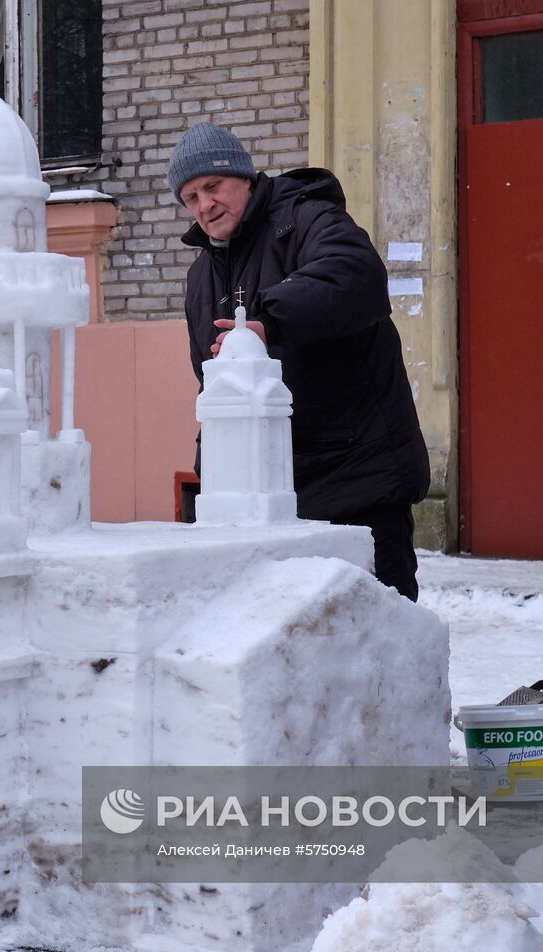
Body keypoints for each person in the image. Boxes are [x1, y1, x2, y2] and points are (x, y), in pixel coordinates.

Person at [168, 122, 430, 600]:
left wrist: (269, 321)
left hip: (358, 483)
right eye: (190, 197)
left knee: (380, 644)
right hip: (273, 500)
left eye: (213, 186)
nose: (205, 205)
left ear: (244, 178)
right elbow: (213, 390)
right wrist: (213, 482)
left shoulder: (306, 220)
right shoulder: (201, 277)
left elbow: (356, 275)